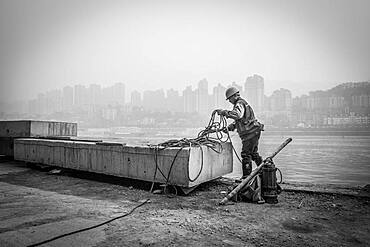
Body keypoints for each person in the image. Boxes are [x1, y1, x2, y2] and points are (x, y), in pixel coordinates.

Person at [216, 87, 264, 179]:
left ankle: (246, 177)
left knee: (246, 155)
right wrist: (230, 127)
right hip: (254, 131)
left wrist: (224, 112)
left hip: (250, 132)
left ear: (234, 96)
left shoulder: (240, 103)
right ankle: (263, 171)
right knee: (253, 154)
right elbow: (241, 119)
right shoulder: (242, 103)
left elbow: (238, 115)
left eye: (229, 99)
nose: (229, 101)